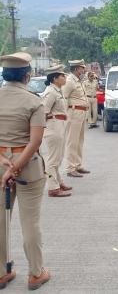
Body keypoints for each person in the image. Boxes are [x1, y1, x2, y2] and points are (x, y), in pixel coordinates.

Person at [0, 52, 50, 290]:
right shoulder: (33, 101)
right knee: (31, 222)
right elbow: (35, 141)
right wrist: (16, 166)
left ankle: (2, 273)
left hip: (1, 164)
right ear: (27, 76)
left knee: (0, 221)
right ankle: (35, 273)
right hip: (27, 166)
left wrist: (5, 162)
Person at [42, 65, 72, 197]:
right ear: (54, 78)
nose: (64, 78)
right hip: (53, 126)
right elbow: (43, 112)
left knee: (58, 157)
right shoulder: (50, 92)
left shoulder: (57, 90)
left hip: (59, 125)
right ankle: (53, 188)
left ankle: (58, 182)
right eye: (62, 76)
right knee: (53, 159)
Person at [62, 59, 90, 178]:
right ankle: (70, 168)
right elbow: (64, 98)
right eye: (82, 68)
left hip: (81, 113)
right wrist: (64, 115)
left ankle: (77, 165)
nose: (84, 70)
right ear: (76, 69)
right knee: (72, 141)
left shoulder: (79, 81)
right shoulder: (69, 81)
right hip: (73, 113)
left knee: (79, 141)